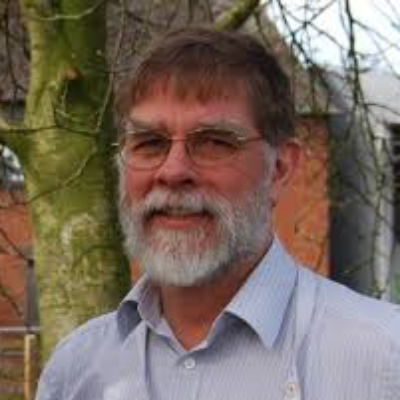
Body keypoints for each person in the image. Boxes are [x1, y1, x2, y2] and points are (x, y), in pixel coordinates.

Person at [35, 27, 400, 400]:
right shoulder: (76, 371)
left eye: (213, 142)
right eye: (150, 143)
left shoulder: (386, 362)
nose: (173, 172)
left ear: (279, 170)